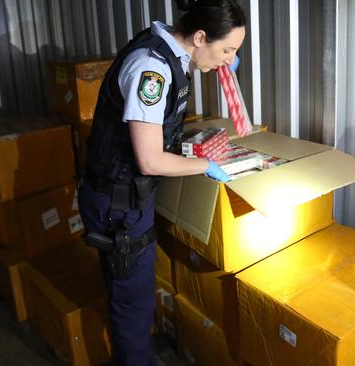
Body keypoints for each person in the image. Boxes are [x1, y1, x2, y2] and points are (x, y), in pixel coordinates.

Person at [78, 0, 246, 365]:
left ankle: (135, 348)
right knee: (132, 303)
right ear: (200, 36)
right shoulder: (151, 69)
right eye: (227, 50)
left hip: (128, 198)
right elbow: (150, 159)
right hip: (118, 205)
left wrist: (224, 57)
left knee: (131, 292)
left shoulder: (170, 51)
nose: (228, 61)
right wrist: (206, 165)